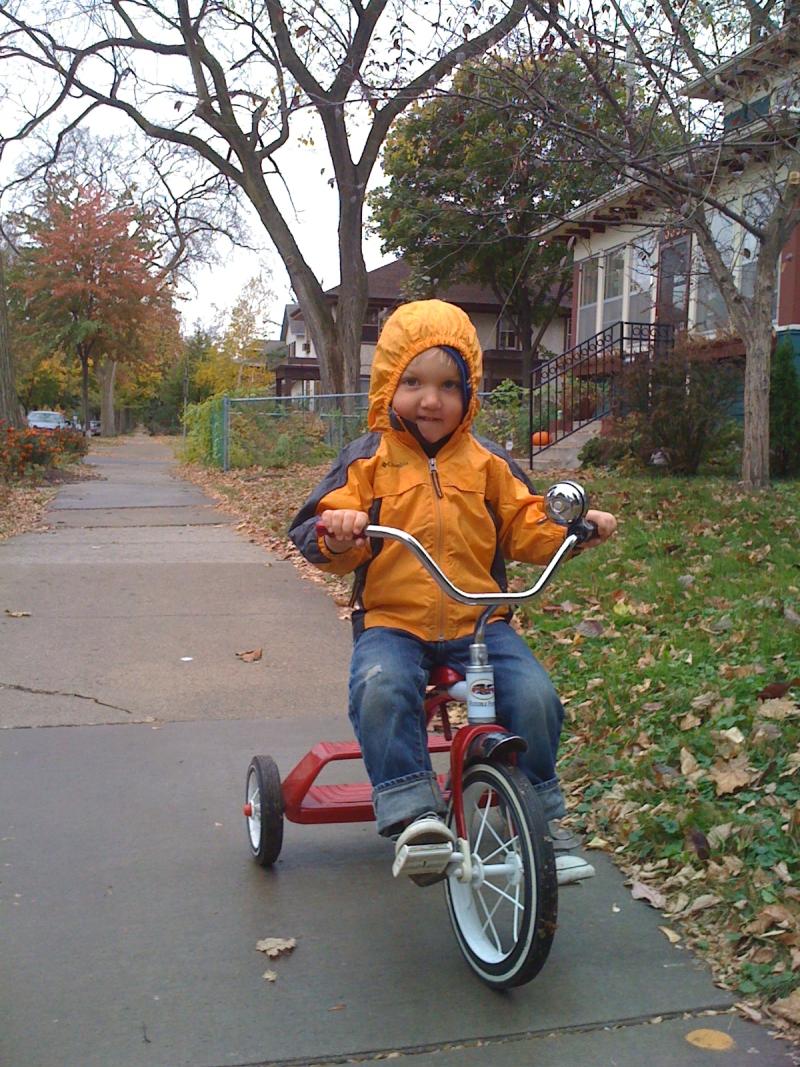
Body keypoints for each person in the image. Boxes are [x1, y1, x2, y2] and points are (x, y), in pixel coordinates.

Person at [289, 300, 617, 886]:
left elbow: (524, 524)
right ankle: (412, 813)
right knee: (381, 688)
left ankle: (539, 819)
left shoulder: (488, 462)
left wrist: (571, 528)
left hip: (480, 622)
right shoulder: (367, 460)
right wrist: (338, 532)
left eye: (448, 386)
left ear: (470, 393)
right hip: (394, 620)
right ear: (388, 385)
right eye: (413, 382)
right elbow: (320, 526)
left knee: (535, 696)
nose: (431, 400)